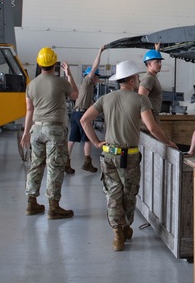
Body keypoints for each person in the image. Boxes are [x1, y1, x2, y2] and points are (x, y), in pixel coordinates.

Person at [81, 59, 177, 251]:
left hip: (108, 155)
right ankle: (125, 227)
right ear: (132, 80)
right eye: (137, 77)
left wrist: (97, 143)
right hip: (129, 157)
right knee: (129, 194)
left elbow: (84, 120)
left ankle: (117, 233)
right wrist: (167, 142)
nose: (139, 80)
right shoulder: (141, 100)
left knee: (113, 195)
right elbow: (151, 127)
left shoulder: (106, 99)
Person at [20, 47, 79, 219]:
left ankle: (31, 203)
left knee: (36, 165)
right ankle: (54, 207)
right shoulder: (60, 82)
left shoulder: (31, 85)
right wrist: (69, 75)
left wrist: (26, 133)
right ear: (55, 63)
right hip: (55, 130)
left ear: (39, 63)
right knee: (55, 167)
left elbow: (29, 110)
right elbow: (75, 95)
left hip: (36, 129)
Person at [68, 45, 105, 174]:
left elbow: (93, 104)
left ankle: (65, 162)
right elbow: (94, 67)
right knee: (88, 138)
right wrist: (100, 52)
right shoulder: (87, 81)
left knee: (72, 139)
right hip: (82, 115)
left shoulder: (87, 89)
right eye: (96, 76)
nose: (97, 78)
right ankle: (87, 163)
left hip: (74, 114)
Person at [138, 46, 164, 120]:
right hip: (150, 118)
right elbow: (140, 101)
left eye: (160, 62)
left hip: (153, 116)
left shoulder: (153, 77)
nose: (160, 64)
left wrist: (156, 50)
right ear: (149, 64)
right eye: (157, 62)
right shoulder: (149, 79)